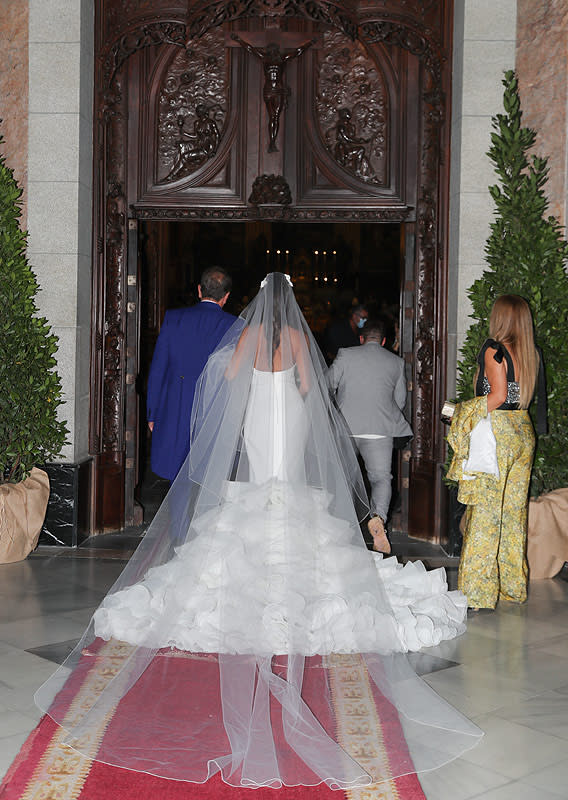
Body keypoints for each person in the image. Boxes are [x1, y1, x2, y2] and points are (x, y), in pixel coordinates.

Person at [36, 274, 481, 791]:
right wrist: (287, 388)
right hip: (288, 413)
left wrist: (242, 395)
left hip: (258, 412)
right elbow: (311, 390)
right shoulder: (296, 338)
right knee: (286, 477)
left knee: (258, 476)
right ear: (288, 305)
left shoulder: (246, 337)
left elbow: (225, 374)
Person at [450, 295, 541, 610]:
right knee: (514, 515)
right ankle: (512, 586)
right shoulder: (529, 354)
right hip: (523, 432)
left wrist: (463, 412)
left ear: (500, 318)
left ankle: (477, 594)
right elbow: (518, 396)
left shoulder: (494, 349)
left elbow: (499, 396)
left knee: (486, 516)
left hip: (497, 435)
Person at [328, 318, 412, 553]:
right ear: (384, 341)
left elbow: (328, 384)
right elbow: (400, 401)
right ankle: (378, 518)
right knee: (381, 478)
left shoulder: (346, 354)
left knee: (342, 477)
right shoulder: (395, 362)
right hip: (380, 428)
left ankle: (339, 526)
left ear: (361, 339)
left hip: (347, 427)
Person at [146, 266, 235, 481]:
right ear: (226, 297)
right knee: (209, 474)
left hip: (176, 401)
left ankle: (179, 514)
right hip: (216, 404)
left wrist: (152, 412)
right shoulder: (235, 325)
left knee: (177, 473)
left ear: (199, 290)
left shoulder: (174, 318)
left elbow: (158, 368)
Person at [231, 35, 316, 152]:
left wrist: (310, 43)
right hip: (268, 90)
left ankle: (272, 143)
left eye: (274, 50)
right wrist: (238, 40)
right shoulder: (265, 59)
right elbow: (250, 49)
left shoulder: (282, 59)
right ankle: (272, 143)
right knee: (272, 116)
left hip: (279, 90)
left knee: (275, 117)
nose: (273, 52)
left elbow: (298, 51)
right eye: (271, 50)